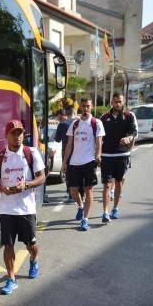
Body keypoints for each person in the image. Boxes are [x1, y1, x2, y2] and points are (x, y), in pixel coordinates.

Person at [0, 119, 46, 295]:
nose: (17, 137)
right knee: (8, 244)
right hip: (6, 209)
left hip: (26, 208)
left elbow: (42, 177)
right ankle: (11, 278)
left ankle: (34, 259)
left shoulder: (31, 153)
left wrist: (27, 185)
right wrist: (2, 189)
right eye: (13, 133)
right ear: (6, 135)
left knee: (31, 244)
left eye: (20, 133)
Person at [61, 98, 104, 231]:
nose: (85, 109)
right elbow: (69, 144)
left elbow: (99, 142)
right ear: (80, 107)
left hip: (89, 161)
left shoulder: (96, 123)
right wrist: (64, 162)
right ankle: (80, 205)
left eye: (88, 106)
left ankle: (85, 220)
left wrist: (97, 156)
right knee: (73, 191)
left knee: (88, 189)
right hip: (74, 162)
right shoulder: (74, 124)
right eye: (84, 106)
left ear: (91, 107)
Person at [99, 92, 138, 221]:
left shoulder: (129, 116)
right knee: (106, 184)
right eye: (115, 101)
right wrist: (97, 153)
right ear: (111, 102)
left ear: (123, 102)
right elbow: (99, 137)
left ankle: (115, 208)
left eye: (120, 101)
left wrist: (129, 138)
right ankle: (105, 212)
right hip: (107, 155)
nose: (118, 104)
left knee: (119, 182)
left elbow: (133, 131)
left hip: (122, 154)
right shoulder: (104, 118)